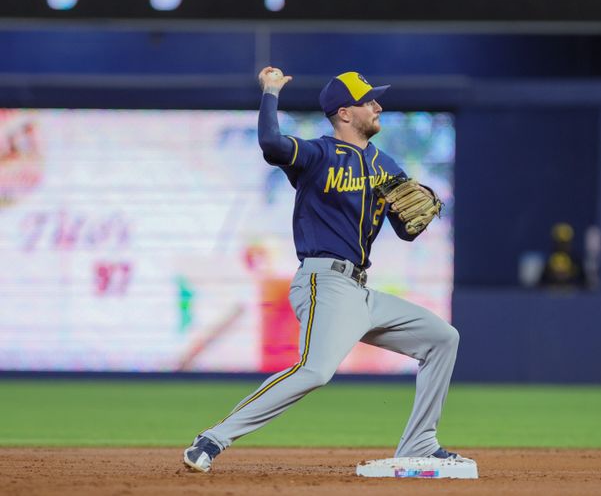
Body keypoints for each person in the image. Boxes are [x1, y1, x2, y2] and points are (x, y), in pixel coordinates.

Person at [183, 67, 470, 472]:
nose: (377, 106)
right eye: (368, 100)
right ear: (344, 113)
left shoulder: (385, 164)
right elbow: (270, 143)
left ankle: (419, 442)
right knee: (315, 370)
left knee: (442, 338)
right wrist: (270, 92)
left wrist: (417, 215)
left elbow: (405, 232)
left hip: (361, 292)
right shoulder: (318, 154)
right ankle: (212, 439)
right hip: (324, 282)